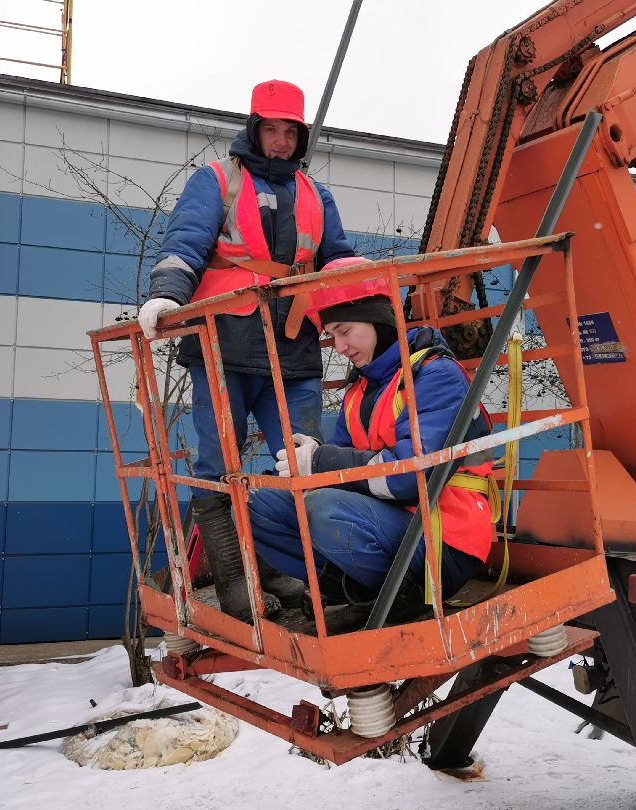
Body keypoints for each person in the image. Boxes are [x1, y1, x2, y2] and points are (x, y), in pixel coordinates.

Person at [136, 79, 364, 622]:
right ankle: (237, 582)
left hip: (294, 347)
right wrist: (166, 295)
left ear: (301, 136)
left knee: (303, 457)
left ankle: (287, 566)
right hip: (225, 344)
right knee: (221, 463)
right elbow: (186, 241)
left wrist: (367, 306)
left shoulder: (316, 195)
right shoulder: (215, 181)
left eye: (290, 132)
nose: (280, 141)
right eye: (271, 130)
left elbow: (337, 261)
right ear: (253, 129)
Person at [247, 293, 497, 633]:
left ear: (378, 321)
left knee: (324, 508)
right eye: (332, 335)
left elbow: (411, 479)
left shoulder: (435, 375)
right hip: (390, 523)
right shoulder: (361, 389)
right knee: (254, 502)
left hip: (445, 539)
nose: (339, 346)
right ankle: (352, 589)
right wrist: (313, 457)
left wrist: (321, 461)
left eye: (345, 331)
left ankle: (400, 601)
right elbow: (343, 462)